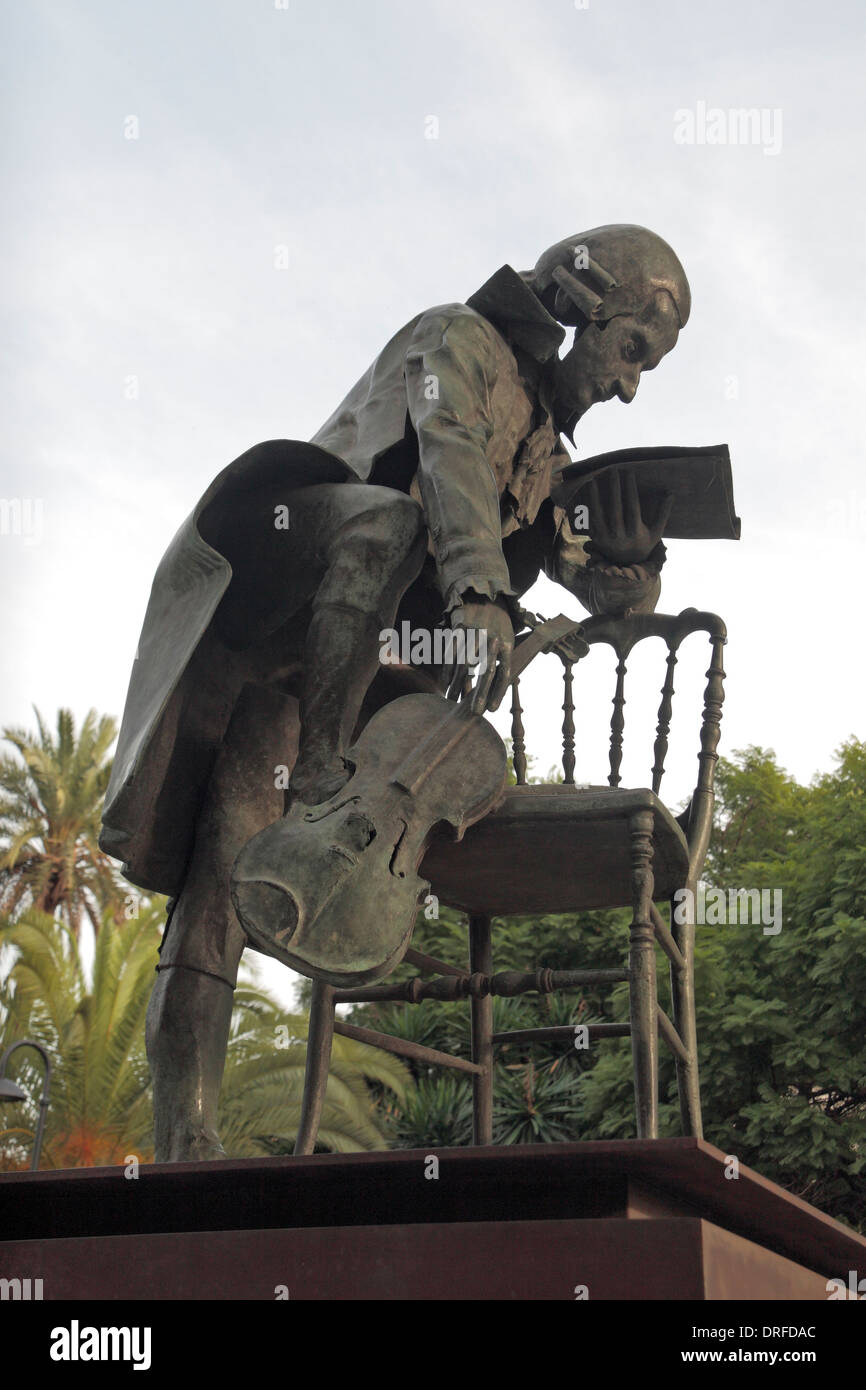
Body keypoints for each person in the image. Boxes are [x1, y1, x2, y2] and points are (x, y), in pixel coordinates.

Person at [100, 224, 690, 1160]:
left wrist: (634, 567)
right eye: (630, 350)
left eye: (646, 368)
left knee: (224, 877)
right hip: (276, 576)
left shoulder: (550, 453)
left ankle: (188, 1146)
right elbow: (448, 444)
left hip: (328, 667)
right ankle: (324, 776)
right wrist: (481, 589)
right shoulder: (453, 338)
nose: (628, 384)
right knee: (385, 523)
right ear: (578, 306)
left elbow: (596, 585)